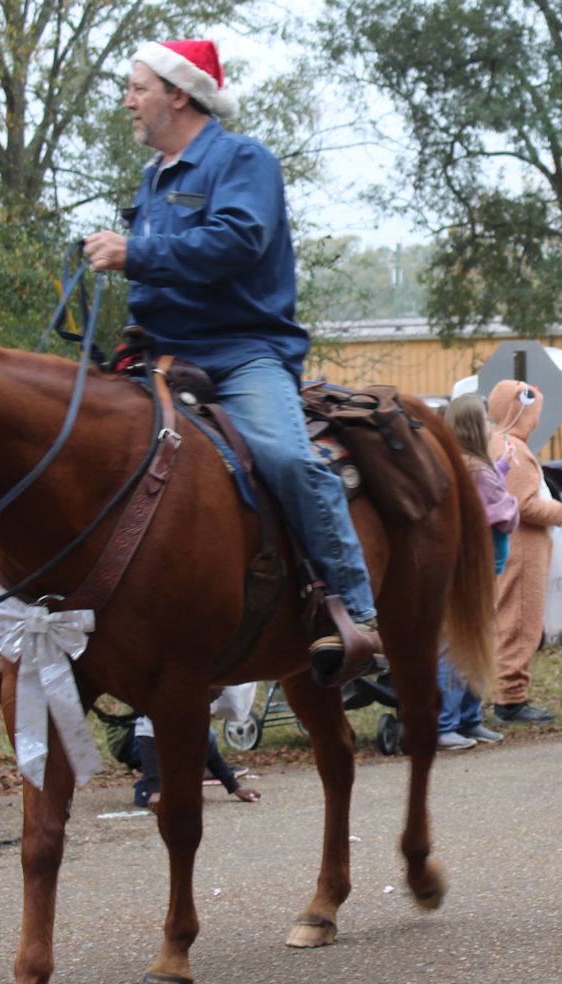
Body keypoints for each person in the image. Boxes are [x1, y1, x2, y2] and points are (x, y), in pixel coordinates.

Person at [82, 39, 380, 688]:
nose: (129, 101)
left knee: (287, 458)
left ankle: (354, 611)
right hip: (162, 356)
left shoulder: (243, 159)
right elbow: (160, 276)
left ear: (178, 93)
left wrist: (133, 254)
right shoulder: (153, 177)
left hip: (243, 353)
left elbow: (237, 242)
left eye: (138, 88)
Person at [435, 394, 515, 749]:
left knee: (473, 642)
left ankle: (467, 719)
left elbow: (482, 499)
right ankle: (445, 724)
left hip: (472, 570)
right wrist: (508, 493)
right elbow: (503, 514)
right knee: (458, 647)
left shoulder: (464, 466)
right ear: (472, 427)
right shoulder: (477, 470)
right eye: (485, 419)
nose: (491, 426)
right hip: (474, 572)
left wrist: (501, 470)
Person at [487, 380, 562, 724]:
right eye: (533, 412)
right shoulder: (511, 447)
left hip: (514, 546)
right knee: (519, 621)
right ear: (519, 411)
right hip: (521, 549)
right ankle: (510, 700)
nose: (536, 419)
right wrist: (560, 513)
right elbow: (523, 505)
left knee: (508, 620)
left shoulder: (499, 443)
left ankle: (504, 693)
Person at [131, 716, 260, 812]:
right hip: (136, 742)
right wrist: (156, 790)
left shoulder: (196, 711)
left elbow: (210, 753)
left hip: (174, 734)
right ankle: (146, 788)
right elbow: (148, 747)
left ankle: (178, 785)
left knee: (209, 736)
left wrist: (235, 788)